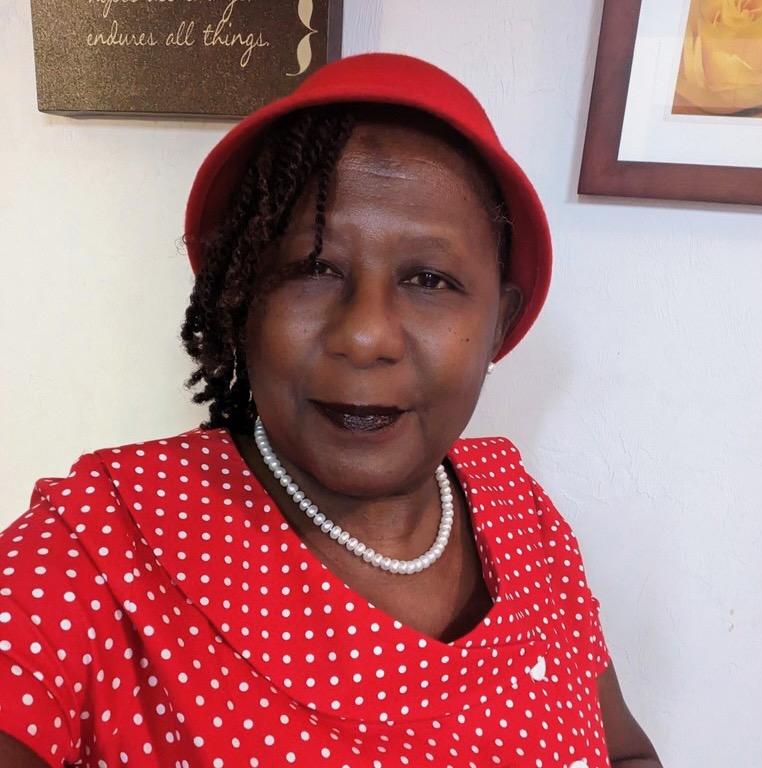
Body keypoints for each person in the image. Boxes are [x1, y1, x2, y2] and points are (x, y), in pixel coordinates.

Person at [0, 53, 663, 767]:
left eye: (430, 279)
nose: (366, 335)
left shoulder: (520, 512)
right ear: (242, 300)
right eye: (312, 269)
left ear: (500, 323)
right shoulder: (100, 546)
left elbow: (623, 753)